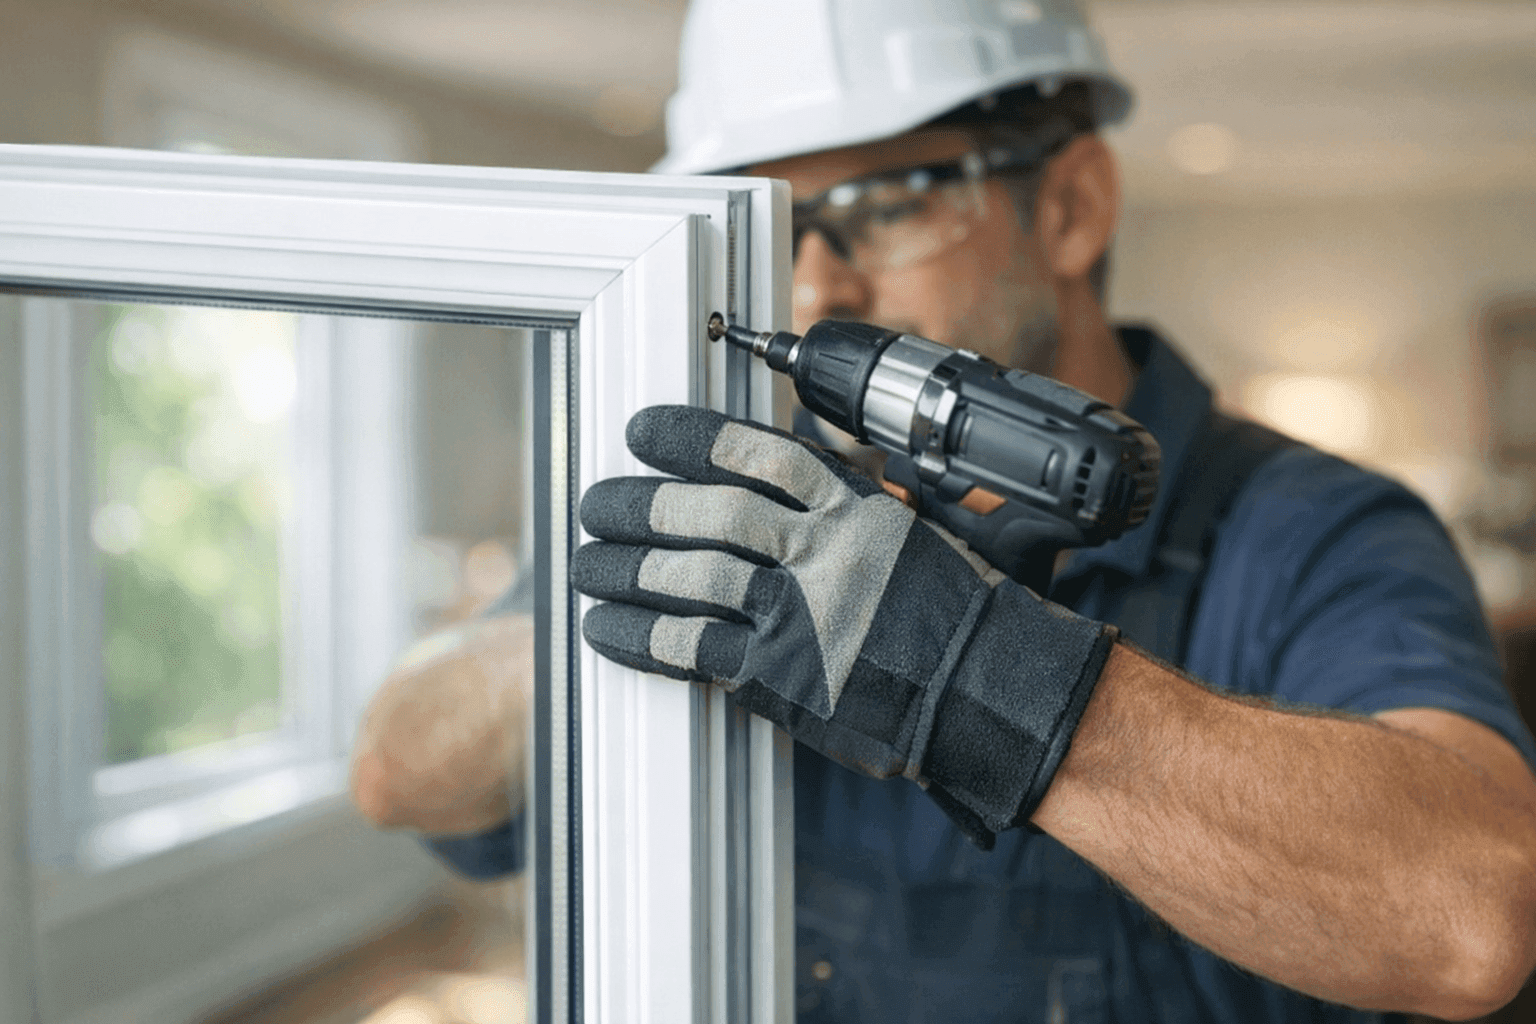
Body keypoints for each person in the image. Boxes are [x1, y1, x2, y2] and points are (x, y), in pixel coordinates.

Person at [349, 1, 1536, 1019]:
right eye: (767, 227)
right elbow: (398, 771)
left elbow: (1471, 914)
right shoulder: (752, 504)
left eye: (881, 206)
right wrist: (635, 590)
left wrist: (972, 664)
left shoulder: (1310, 528)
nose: (816, 286)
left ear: (1069, 207)